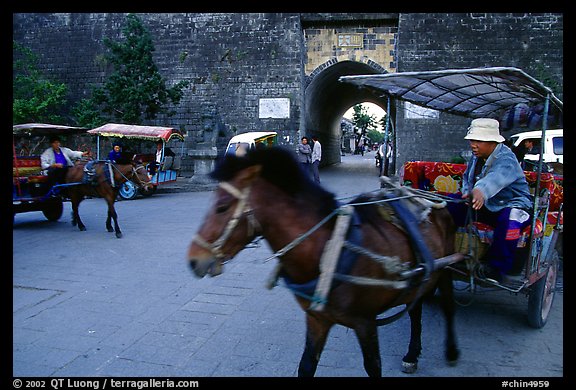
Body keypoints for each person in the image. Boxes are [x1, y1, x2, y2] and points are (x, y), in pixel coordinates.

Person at [461, 118, 533, 283]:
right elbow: (467, 179)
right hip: (486, 204)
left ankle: (497, 269)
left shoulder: (506, 158)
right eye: (472, 140)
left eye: (479, 140)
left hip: (513, 204)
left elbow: (496, 178)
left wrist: (480, 191)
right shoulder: (476, 157)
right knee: (450, 205)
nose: (473, 144)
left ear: (492, 141)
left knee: (511, 221)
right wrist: (467, 193)